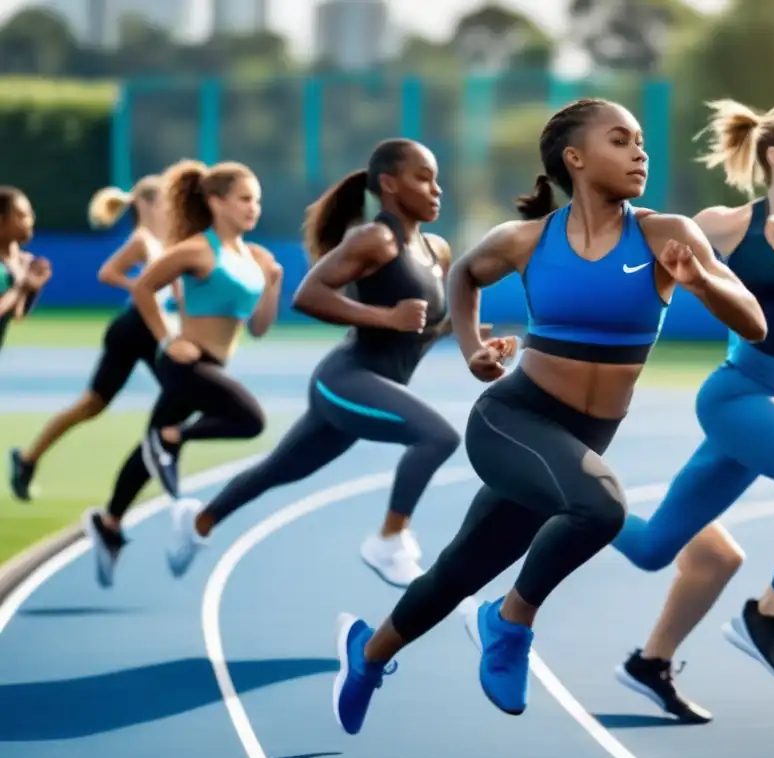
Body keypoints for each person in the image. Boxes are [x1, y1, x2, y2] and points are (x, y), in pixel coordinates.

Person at [330, 97, 769, 736]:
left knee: (457, 570)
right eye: (621, 141)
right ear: (576, 158)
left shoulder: (666, 235)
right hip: (514, 420)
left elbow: (753, 322)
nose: (639, 152)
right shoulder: (527, 240)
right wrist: (475, 347)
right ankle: (510, 624)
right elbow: (463, 274)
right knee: (603, 508)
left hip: (579, 439)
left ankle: (366, 657)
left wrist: (702, 282)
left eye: (641, 140)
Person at [612, 99, 774, 716]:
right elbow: (639, 267)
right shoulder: (722, 225)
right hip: (736, 396)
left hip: (771, 402)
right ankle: (769, 616)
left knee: (650, 550)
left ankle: (647, 657)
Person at [163, 139, 465, 588]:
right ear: (389, 184)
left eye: (436, 179)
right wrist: (384, 317)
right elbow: (309, 295)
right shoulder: (375, 239)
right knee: (438, 437)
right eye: (423, 178)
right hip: (345, 380)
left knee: (278, 470)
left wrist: (479, 346)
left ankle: (197, 522)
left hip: (372, 386)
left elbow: (425, 326)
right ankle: (389, 539)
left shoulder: (436, 250)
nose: (436, 189)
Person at [83, 159, 283, 588]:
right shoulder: (197, 249)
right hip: (185, 365)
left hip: (211, 366)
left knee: (148, 450)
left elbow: (260, 328)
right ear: (215, 202)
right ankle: (172, 440)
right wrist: (166, 339)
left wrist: (273, 284)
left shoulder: (255, 257)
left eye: (258, 200)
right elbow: (142, 287)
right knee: (251, 421)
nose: (254, 208)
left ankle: (110, 524)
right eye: (245, 199)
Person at [9, 176, 178, 501]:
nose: (169, 211)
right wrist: (141, 289)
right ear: (145, 205)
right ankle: (164, 467)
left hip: (146, 328)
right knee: (181, 394)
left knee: (92, 405)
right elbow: (107, 272)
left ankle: (28, 460)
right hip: (134, 329)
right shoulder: (142, 240)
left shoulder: (162, 241)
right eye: (164, 205)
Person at [0, 186, 50, 361]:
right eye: (21, 215)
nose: (29, 221)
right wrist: (21, 285)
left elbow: (17, 313)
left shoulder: (21, 262)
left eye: (30, 214)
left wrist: (33, 287)